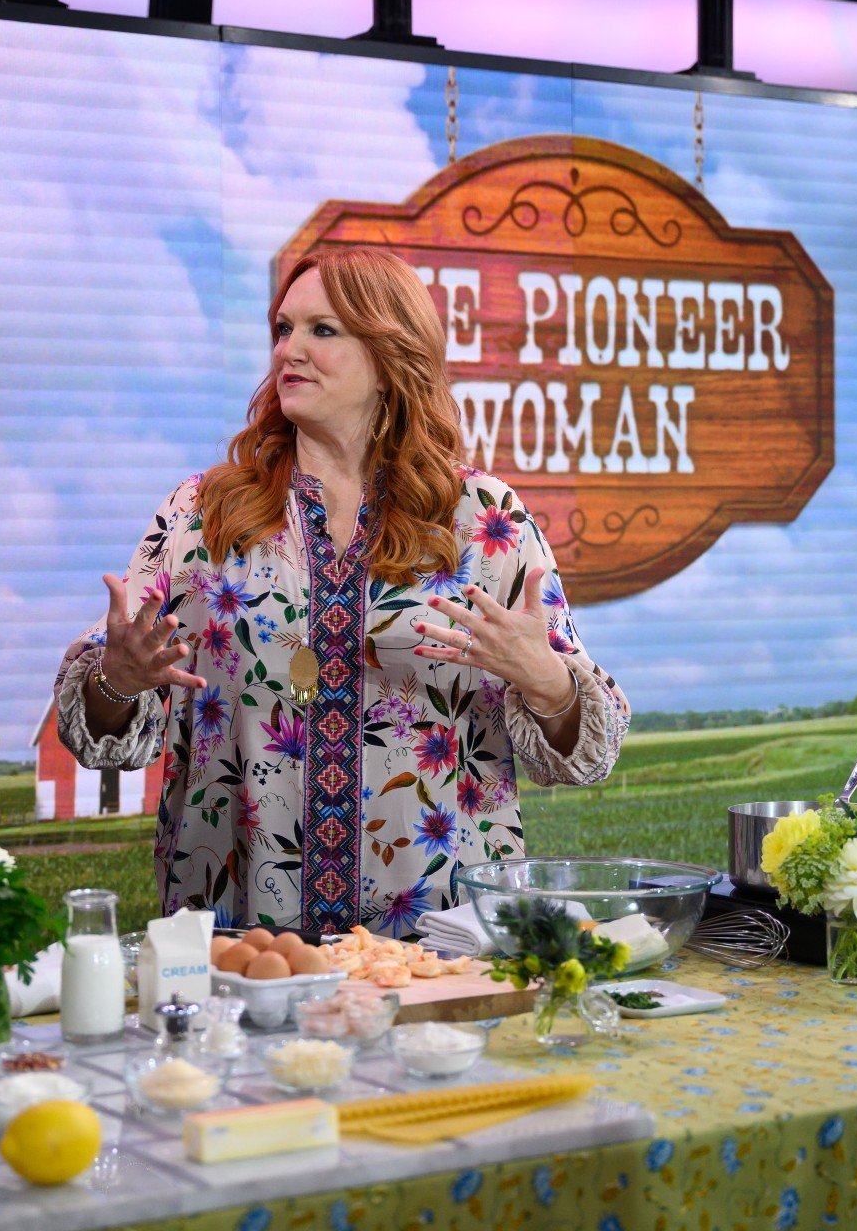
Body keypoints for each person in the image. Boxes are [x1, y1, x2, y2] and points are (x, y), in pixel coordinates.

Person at [54, 246, 629, 934]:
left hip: (440, 950)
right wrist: (115, 681)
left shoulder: (483, 518)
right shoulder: (203, 513)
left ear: (392, 355)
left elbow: (589, 754)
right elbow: (102, 736)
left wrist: (547, 682)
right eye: (282, 329)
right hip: (244, 954)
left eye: (322, 330)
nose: (290, 349)